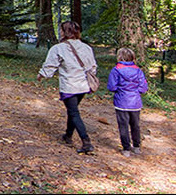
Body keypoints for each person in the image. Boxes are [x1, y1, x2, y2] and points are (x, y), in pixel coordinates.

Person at [37, 21, 97, 154]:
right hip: (83, 85)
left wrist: (41, 75)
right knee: (72, 110)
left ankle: (86, 141)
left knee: (74, 112)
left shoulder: (58, 48)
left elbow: (50, 66)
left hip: (69, 86)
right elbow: (93, 67)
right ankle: (68, 136)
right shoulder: (87, 48)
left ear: (65, 32)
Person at [107, 47, 148, 156]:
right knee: (135, 125)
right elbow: (143, 88)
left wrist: (120, 90)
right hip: (135, 102)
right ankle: (136, 146)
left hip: (121, 102)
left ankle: (126, 149)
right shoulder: (138, 70)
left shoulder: (116, 70)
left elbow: (111, 87)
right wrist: (134, 91)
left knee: (123, 125)